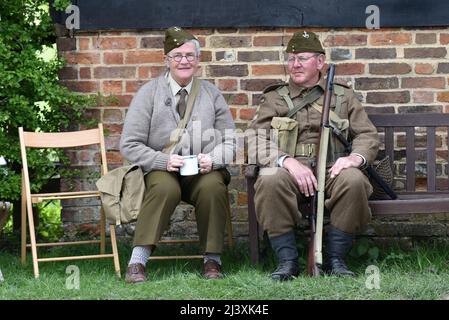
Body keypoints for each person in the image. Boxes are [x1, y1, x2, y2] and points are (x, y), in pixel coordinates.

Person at [248, 30, 379, 280]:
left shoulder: (343, 96)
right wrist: (286, 161)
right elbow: (255, 138)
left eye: (303, 58)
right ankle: (287, 262)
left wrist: (353, 159)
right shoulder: (274, 98)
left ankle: (335, 259)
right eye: (290, 59)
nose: (295, 64)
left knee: (354, 180)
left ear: (320, 62)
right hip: (289, 173)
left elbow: (367, 136)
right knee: (269, 178)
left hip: (332, 170)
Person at [120, 26, 236, 284]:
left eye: (189, 56)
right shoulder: (148, 93)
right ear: (167, 60)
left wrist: (213, 159)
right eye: (177, 55)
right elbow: (129, 144)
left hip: (201, 170)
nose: (184, 60)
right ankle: (137, 261)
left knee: (213, 186)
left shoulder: (211, 94)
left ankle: (212, 260)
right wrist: (163, 161)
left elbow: (230, 140)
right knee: (165, 189)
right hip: (161, 169)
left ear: (197, 60)